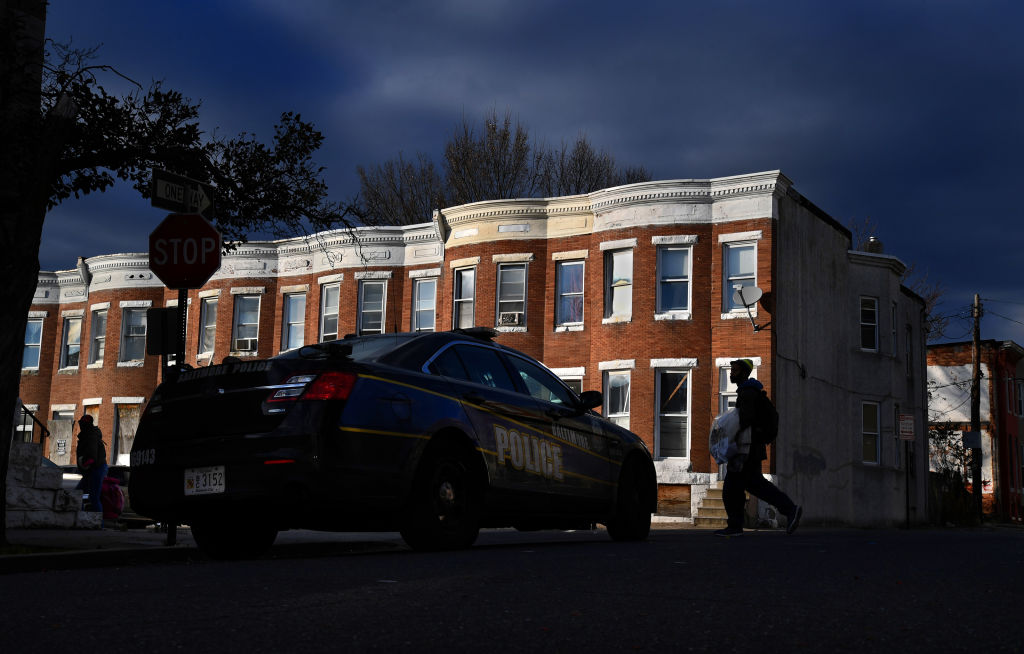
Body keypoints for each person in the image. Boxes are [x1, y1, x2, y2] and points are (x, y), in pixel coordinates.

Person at [715, 359, 802, 537]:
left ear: (745, 373)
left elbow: (745, 420)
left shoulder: (747, 393)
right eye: (731, 369)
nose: (732, 373)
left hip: (745, 450)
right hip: (752, 449)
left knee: (732, 487)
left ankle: (735, 526)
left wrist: (729, 436)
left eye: (736, 370)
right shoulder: (750, 392)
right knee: (755, 485)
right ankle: (790, 509)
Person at [74, 414, 108, 514]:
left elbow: (92, 456)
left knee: (94, 497)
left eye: (83, 423)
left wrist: (83, 462)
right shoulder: (87, 435)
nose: (81, 425)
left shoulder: (91, 435)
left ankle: (99, 524)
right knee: (78, 493)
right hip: (93, 469)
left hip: (96, 468)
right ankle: (82, 517)